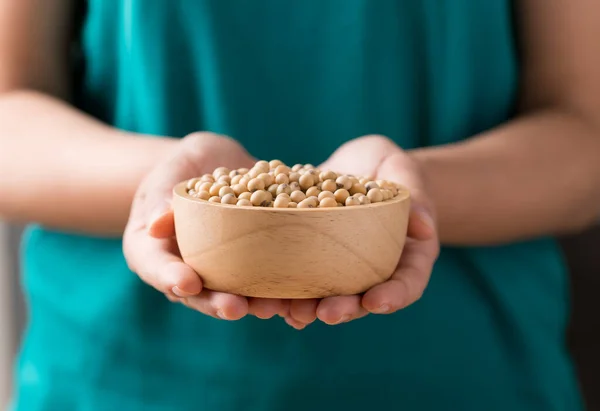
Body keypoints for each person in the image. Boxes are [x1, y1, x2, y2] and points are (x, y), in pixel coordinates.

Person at [1, 1, 599, 410]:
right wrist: (168, 191)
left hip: (467, 374)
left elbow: (585, 136)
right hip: (121, 378)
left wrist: (414, 196)